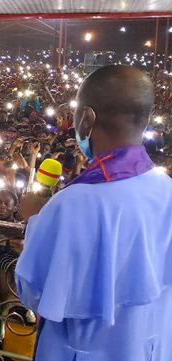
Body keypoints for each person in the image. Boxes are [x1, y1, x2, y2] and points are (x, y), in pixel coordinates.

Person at [16, 65, 172, 361]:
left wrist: (35, 220)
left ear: (87, 118)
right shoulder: (167, 189)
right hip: (151, 346)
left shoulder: (73, 203)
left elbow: (35, 290)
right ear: (146, 118)